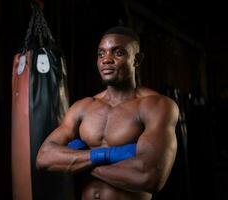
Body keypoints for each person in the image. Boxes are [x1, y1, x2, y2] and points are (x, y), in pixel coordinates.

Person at [36, 26, 179, 200]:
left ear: (137, 60)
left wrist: (75, 163)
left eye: (117, 53)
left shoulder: (157, 105)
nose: (106, 60)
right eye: (101, 54)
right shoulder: (83, 107)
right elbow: (44, 157)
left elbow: (150, 177)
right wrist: (110, 156)